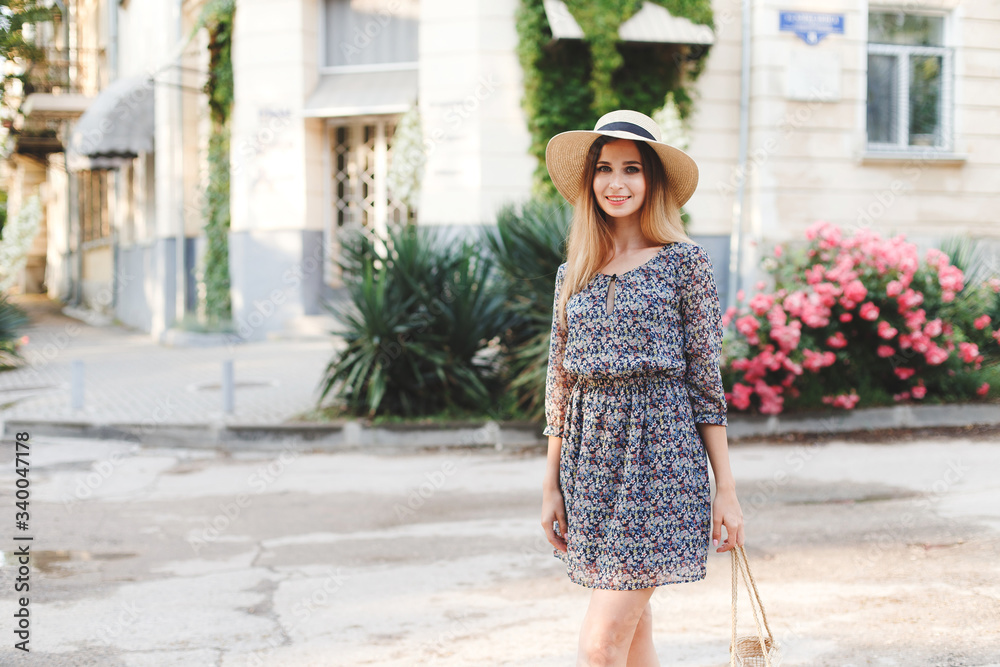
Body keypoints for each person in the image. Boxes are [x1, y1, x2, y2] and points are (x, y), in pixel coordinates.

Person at [539, 109, 744, 667]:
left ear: (651, 181)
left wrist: (726, 490)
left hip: (660, 463)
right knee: (633, 644)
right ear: (590, 180)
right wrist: (550, 484)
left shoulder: (686, 264)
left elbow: (706, 384)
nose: (617, 183)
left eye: (632, 169)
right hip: (590, 464)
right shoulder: (573, 271)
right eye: (605, 169)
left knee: (599, 647)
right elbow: (559, 380)